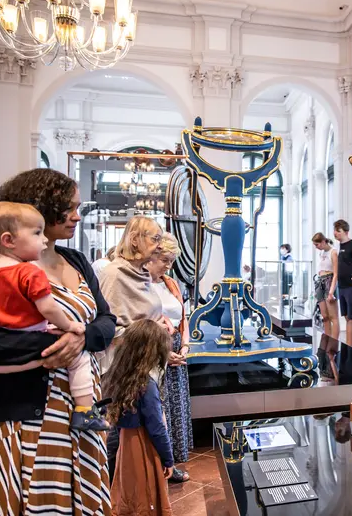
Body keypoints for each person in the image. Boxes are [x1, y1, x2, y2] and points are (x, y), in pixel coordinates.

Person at [0, 168, 116, 514]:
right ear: (39, 208)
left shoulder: (75, 259)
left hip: (80, 408)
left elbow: (107, 320)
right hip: (22, 412)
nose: (77, 216)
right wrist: (50, 348)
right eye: (69, 208)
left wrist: (83, 339)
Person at [0, 202, 109, 446]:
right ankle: (85, 411)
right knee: (79, 359)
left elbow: (107, 319)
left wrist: (89, 335)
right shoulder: (28, 272)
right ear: (9, 239)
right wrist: (72, 328)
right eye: (36, 232)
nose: (76, 216)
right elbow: (49, 309)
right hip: (28, 389)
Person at [99, 215, 168, 482]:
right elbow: (109, 326)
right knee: (119, 428)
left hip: (145, 361)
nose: (159, 244)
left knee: (142, 425)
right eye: (155, 238)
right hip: (123, 365)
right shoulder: (114, 274)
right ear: (135, 239)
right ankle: (107, 487)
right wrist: (150, 329)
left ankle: (138, 481)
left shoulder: (142, 273)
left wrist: (158, 329)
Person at [103, 319, 174, 515]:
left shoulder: (116, 377)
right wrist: (169, 460)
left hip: (124, 444)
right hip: (143, 446)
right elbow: (156, 427)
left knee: (127, 494)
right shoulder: (146, 385)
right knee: (147, 497)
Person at [145, 232, 193, 483]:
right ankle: (157, 465)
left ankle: (171, 463)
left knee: (174, 410)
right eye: (165, 259)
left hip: (176, 352)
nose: (168, 266)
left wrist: (185, 345)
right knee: (157, 411)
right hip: (154, 353)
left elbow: (182, 316)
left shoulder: (170, 283)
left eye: (171, 261)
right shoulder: (140, 284)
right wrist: (163, 353)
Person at [312, 233, 339, 379]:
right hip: (320, 281)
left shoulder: (333, 252)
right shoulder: (321, 253)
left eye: (317, 245)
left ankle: (333, 347)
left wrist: (332, 291)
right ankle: (326, 337)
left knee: (333, 316)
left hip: (329, 281)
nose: (316, 248)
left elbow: (335, 273)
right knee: (325, 316)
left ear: (323, 241)